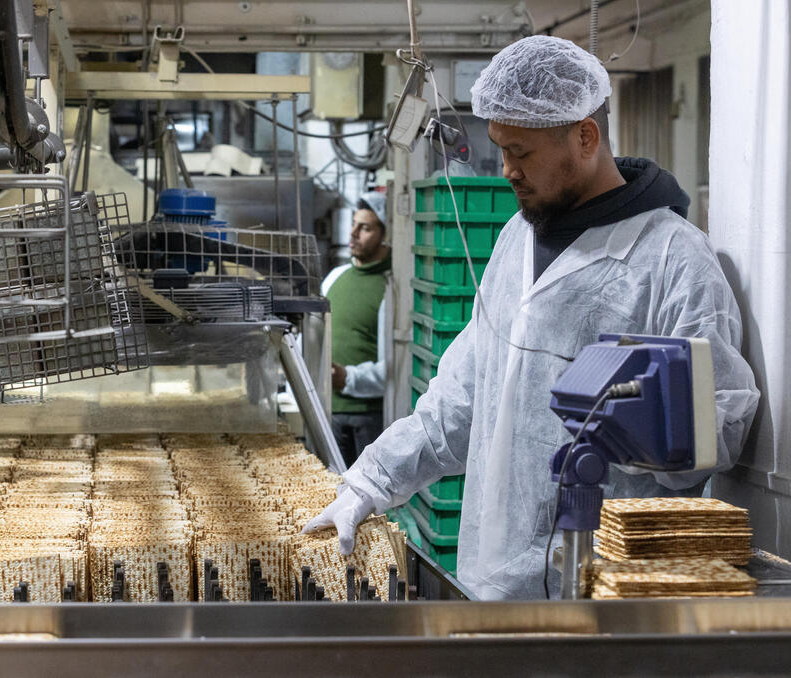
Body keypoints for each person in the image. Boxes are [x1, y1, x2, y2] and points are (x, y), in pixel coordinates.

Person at [304, 35, 759, 599]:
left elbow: (725, 422)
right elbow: (462, 397)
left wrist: (652, 430)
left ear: (585, 137)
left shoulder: (672, 258)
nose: (507, 170)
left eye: (521, 152)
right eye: (500, 149)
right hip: (490, 574)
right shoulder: (516, 239)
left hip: (604, 596)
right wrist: (371, 481)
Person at [322, 191, 391, 466]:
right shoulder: (335, 279)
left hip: (371, 416)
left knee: (372, 500)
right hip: (330, 410)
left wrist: (349, 378)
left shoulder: (391, 286)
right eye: (353, 224)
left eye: (365, 228)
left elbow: (395, 368)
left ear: (385, 234)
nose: (353, 234)